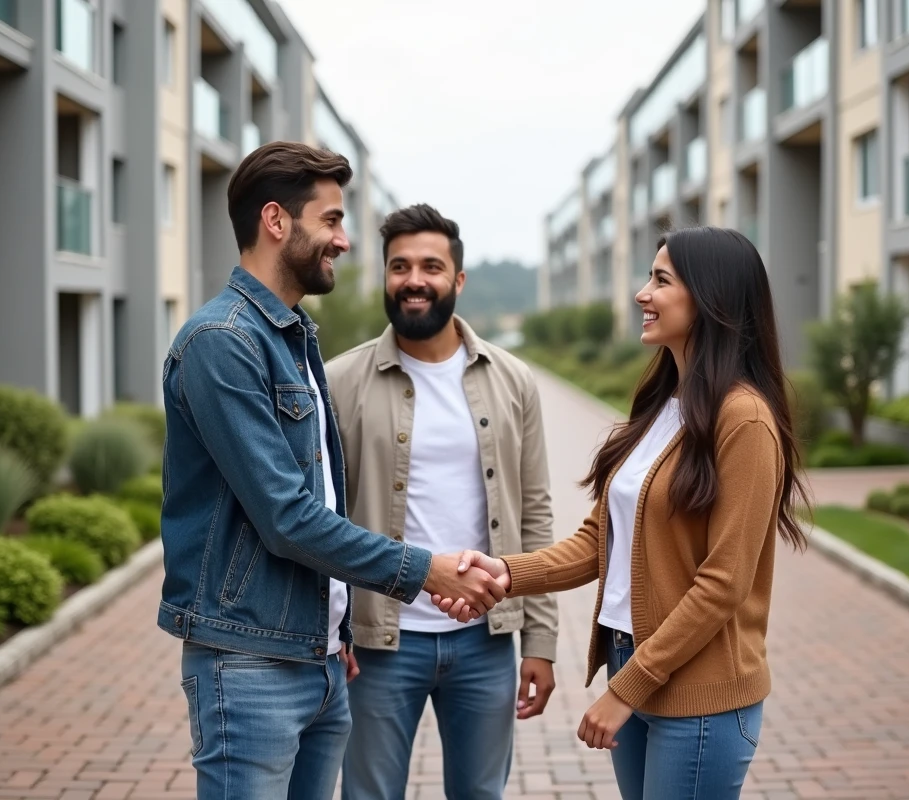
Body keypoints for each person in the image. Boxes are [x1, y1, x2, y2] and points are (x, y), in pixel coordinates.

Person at [156, 142, 506, 800]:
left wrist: (336, 627)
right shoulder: (222, 343)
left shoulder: (293, 338)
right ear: (277, 222)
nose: (344, 241)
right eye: (332, 220)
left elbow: (324, 496)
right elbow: (287, 516)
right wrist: (422, 569)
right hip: (249, 660)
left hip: (317, 659)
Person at [442, 226, 810, 800]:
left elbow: (723, 583)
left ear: (711, 298)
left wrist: (627, 689)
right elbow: (600, 539)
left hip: (699, 693)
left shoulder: (745, 420)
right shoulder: (665, 405)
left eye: (660, 280)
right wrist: (505, 574)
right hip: (630, 658)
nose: (642, 293)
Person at [325, 204, 559, 800]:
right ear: (384, 277)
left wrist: (541, 641)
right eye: (399, 266)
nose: (414, 279)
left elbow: (534, 513)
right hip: (378, 643)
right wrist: (331, 631)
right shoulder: (340, 382)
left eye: (431, 265)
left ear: (457, 280)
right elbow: (318, 518)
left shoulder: (512, 381)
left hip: (485, 642)